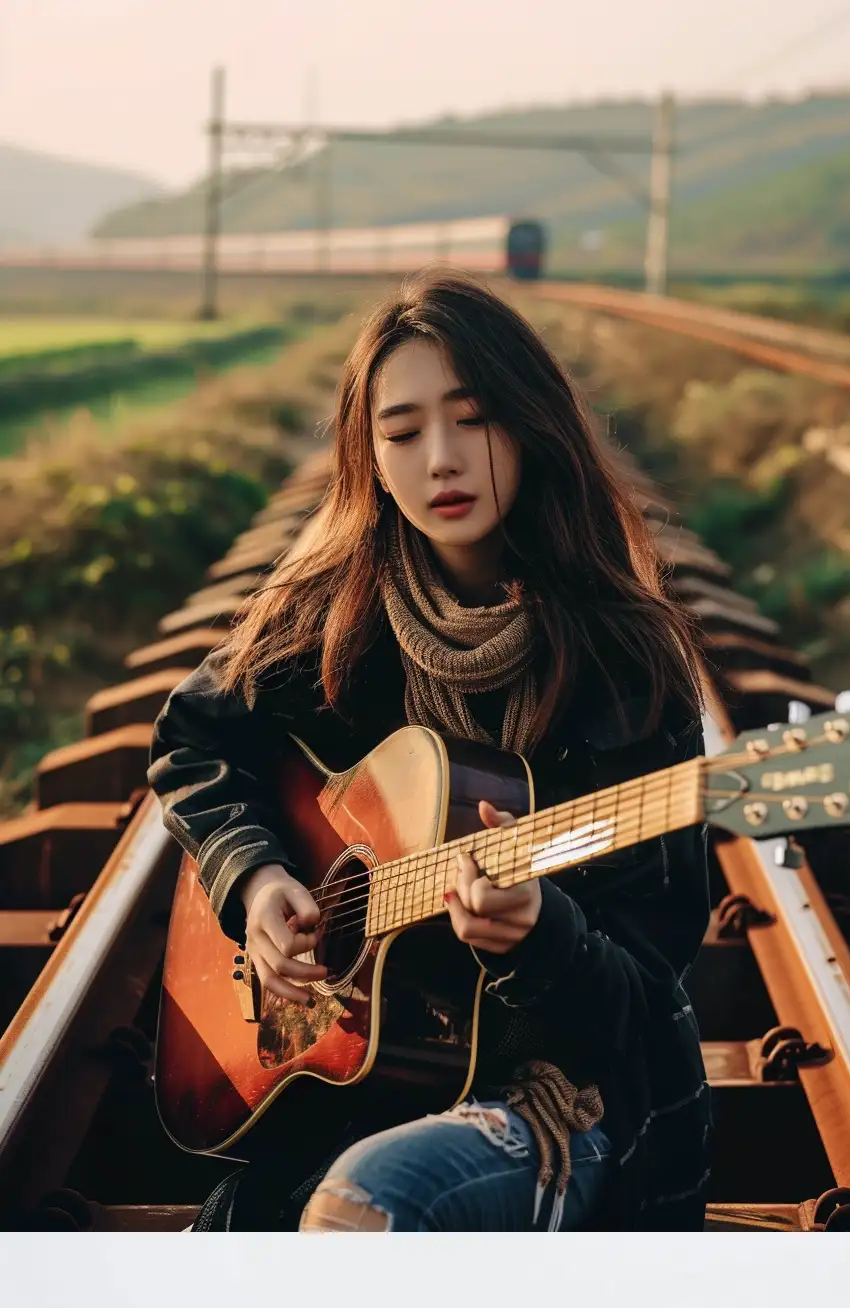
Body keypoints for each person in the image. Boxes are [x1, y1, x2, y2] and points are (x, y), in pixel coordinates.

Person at [149, 272, 711, 1231]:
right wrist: (254, 882)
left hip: (552, 1099)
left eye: (473, 419)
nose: (441, 461)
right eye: (403, 433)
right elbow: (192, 737)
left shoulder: (627, 661)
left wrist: (547, 939)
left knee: (380, 1197)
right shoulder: (330, 618)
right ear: (369, 455)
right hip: (356, 1083)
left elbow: (647, 991)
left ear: (531, 425)